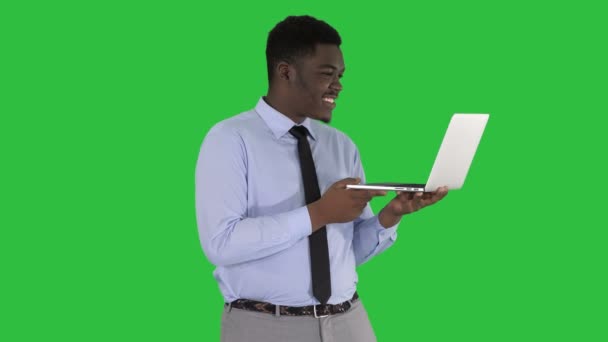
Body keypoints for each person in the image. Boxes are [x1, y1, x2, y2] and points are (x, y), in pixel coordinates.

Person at [195, 15, 448, 342]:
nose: (339, 85)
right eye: (327, 74)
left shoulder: (341, 145)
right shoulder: (229, 139)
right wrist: (319, 213)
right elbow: (221, 243)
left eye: (341, 75)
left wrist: (390, 216)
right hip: (265, 326)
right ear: (286, 72)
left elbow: (345, 252)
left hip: (350, 321)